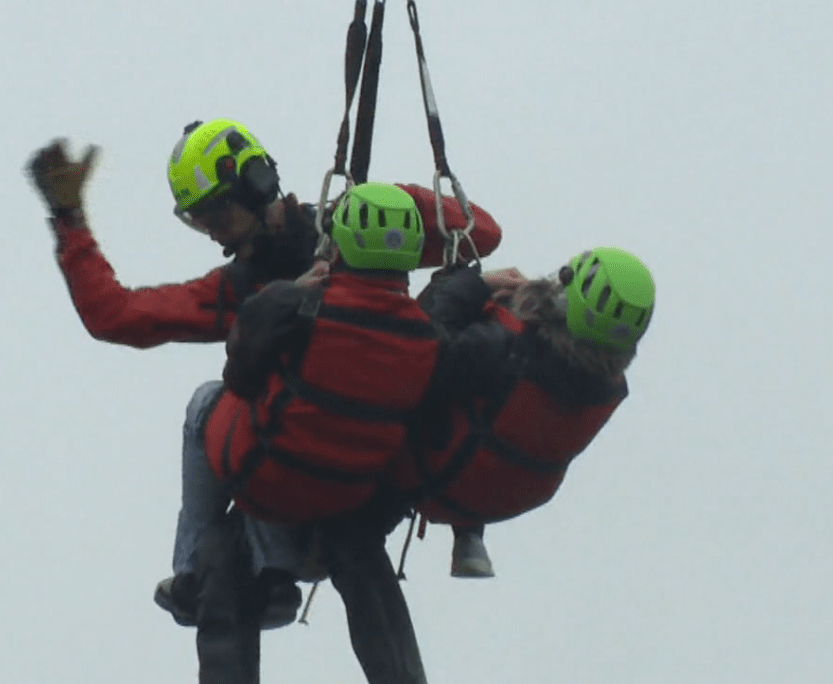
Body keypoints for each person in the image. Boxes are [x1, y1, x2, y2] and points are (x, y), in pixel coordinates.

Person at [26, 119, 502, 623]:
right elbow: (117, 316)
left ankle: (213, 569)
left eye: (215, 213)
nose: (211, 231)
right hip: (345, 480)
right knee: (226, 400)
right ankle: (218, 573)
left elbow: (479, 233)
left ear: (254, 184)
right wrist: (69, 219)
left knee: (218, 402)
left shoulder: (349, 235)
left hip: (361, 468)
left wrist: (384, 201)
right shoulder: (242, 286)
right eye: (198, 220)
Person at [144, 183, 448, 684]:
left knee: (220, 542)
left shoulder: (297, 310)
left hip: (282, 486)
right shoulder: (427, 335)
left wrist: (293, 292)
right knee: (348, 547)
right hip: (351, 504)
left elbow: (240, 376)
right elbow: (478, 233)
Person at [399, 247, 655, 542]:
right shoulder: (608, 390)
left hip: (433, 476)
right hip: (498, 498)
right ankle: (468, 534)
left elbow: (421, 348)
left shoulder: (502, 350)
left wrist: (472, 285)